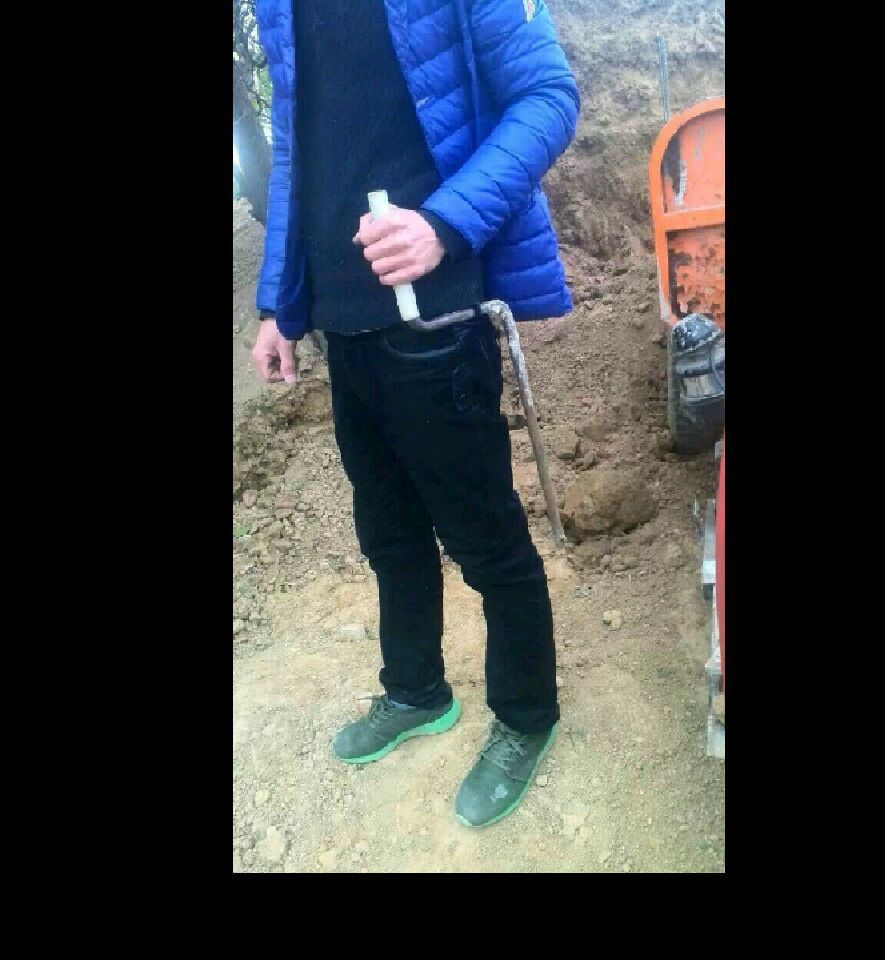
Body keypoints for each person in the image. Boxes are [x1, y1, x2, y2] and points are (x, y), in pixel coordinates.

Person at [250, 0, 579, 828]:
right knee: (388, 534)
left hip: (435, 321)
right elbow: (296, 149)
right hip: (343, 326)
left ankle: (526, 716)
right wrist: (279, 304)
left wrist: (445, 222)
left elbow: (547, 97)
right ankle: (416, 691)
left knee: (487, 543)